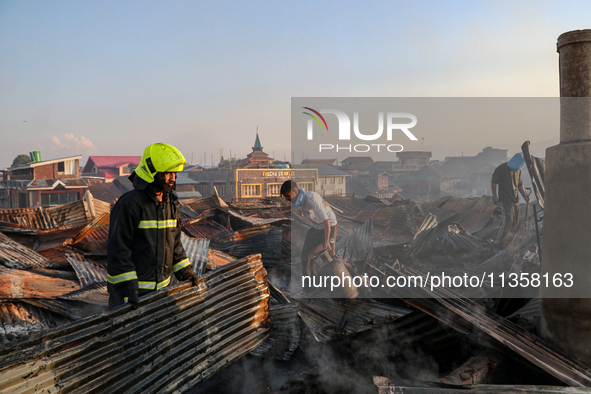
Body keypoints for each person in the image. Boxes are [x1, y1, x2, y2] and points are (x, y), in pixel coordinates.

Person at [107, 143, 198, 310]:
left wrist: (186, 272)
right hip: (131, 298)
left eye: (174, 173)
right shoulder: (129, 205)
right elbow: (119, 251)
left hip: (161, 297)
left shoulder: (171, 203)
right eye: (168, 173)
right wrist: (128, 289)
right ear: (152, 173)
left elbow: (175, 245)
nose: (173, 178)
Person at [280, 180, 337, 278]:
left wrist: (326, 241)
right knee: (306, 256)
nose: (287, 199)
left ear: (295, 191)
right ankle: (309, 288)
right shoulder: (298, 200)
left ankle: (335, 286)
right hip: (316, 227)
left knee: (328, 256)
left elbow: (326, 221)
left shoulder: (312, 199)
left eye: (288, 196)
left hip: (329, 226)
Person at [491, 152, 530, 245]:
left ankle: (509, 242)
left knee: (515, 223)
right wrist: (495, 197)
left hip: (516, 200)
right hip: (505, 200)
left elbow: (520, 184)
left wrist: (525, 195)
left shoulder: (518, 170)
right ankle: (499, 242)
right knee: (507, 222)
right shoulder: (501, 169)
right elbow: (493, 183)